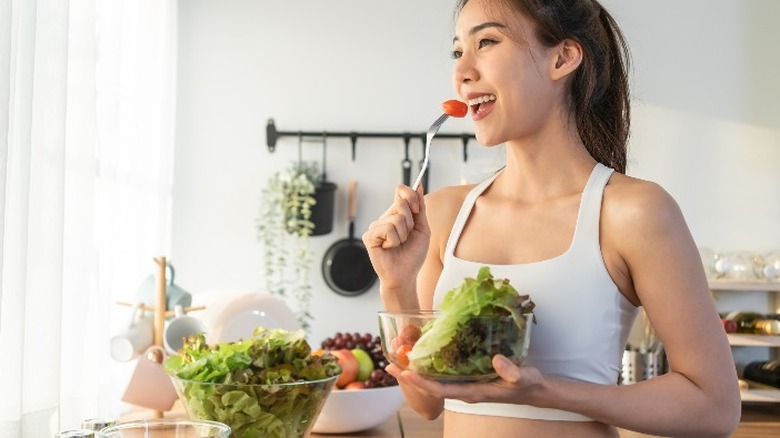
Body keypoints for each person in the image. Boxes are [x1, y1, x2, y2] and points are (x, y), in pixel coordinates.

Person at [361, 0, 742, 437]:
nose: (461, 72)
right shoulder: (444, 212)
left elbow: (715, 408)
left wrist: (545, 392)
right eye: (456, 51)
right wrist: (396, 283)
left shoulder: (632, 212)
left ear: (562, 57)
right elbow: (426, 400)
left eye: (486, 41)